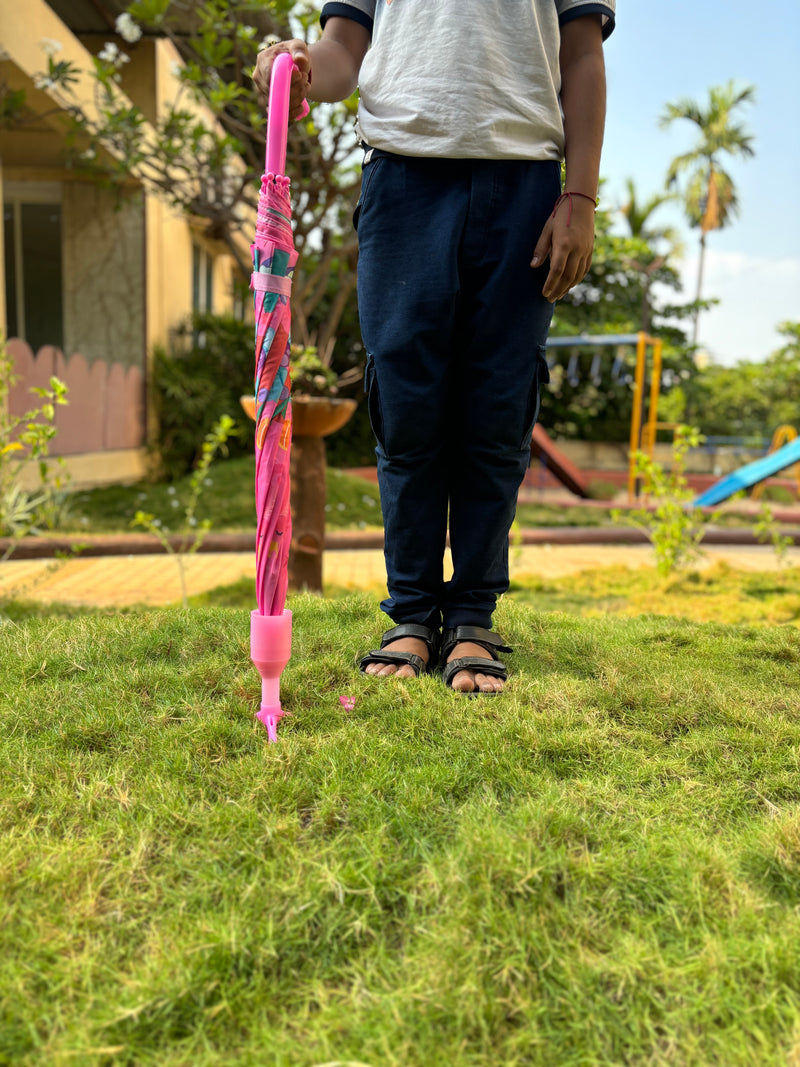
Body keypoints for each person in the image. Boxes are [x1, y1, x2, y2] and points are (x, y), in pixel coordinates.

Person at [254, 1, 615, 694]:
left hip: (526, 182)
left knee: (498, 403)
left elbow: (581, 55)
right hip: (403, 178)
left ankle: (474, 616)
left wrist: (581, 195)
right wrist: (301, 65)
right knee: (405, 398)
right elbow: (343, 50)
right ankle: (412, 613)